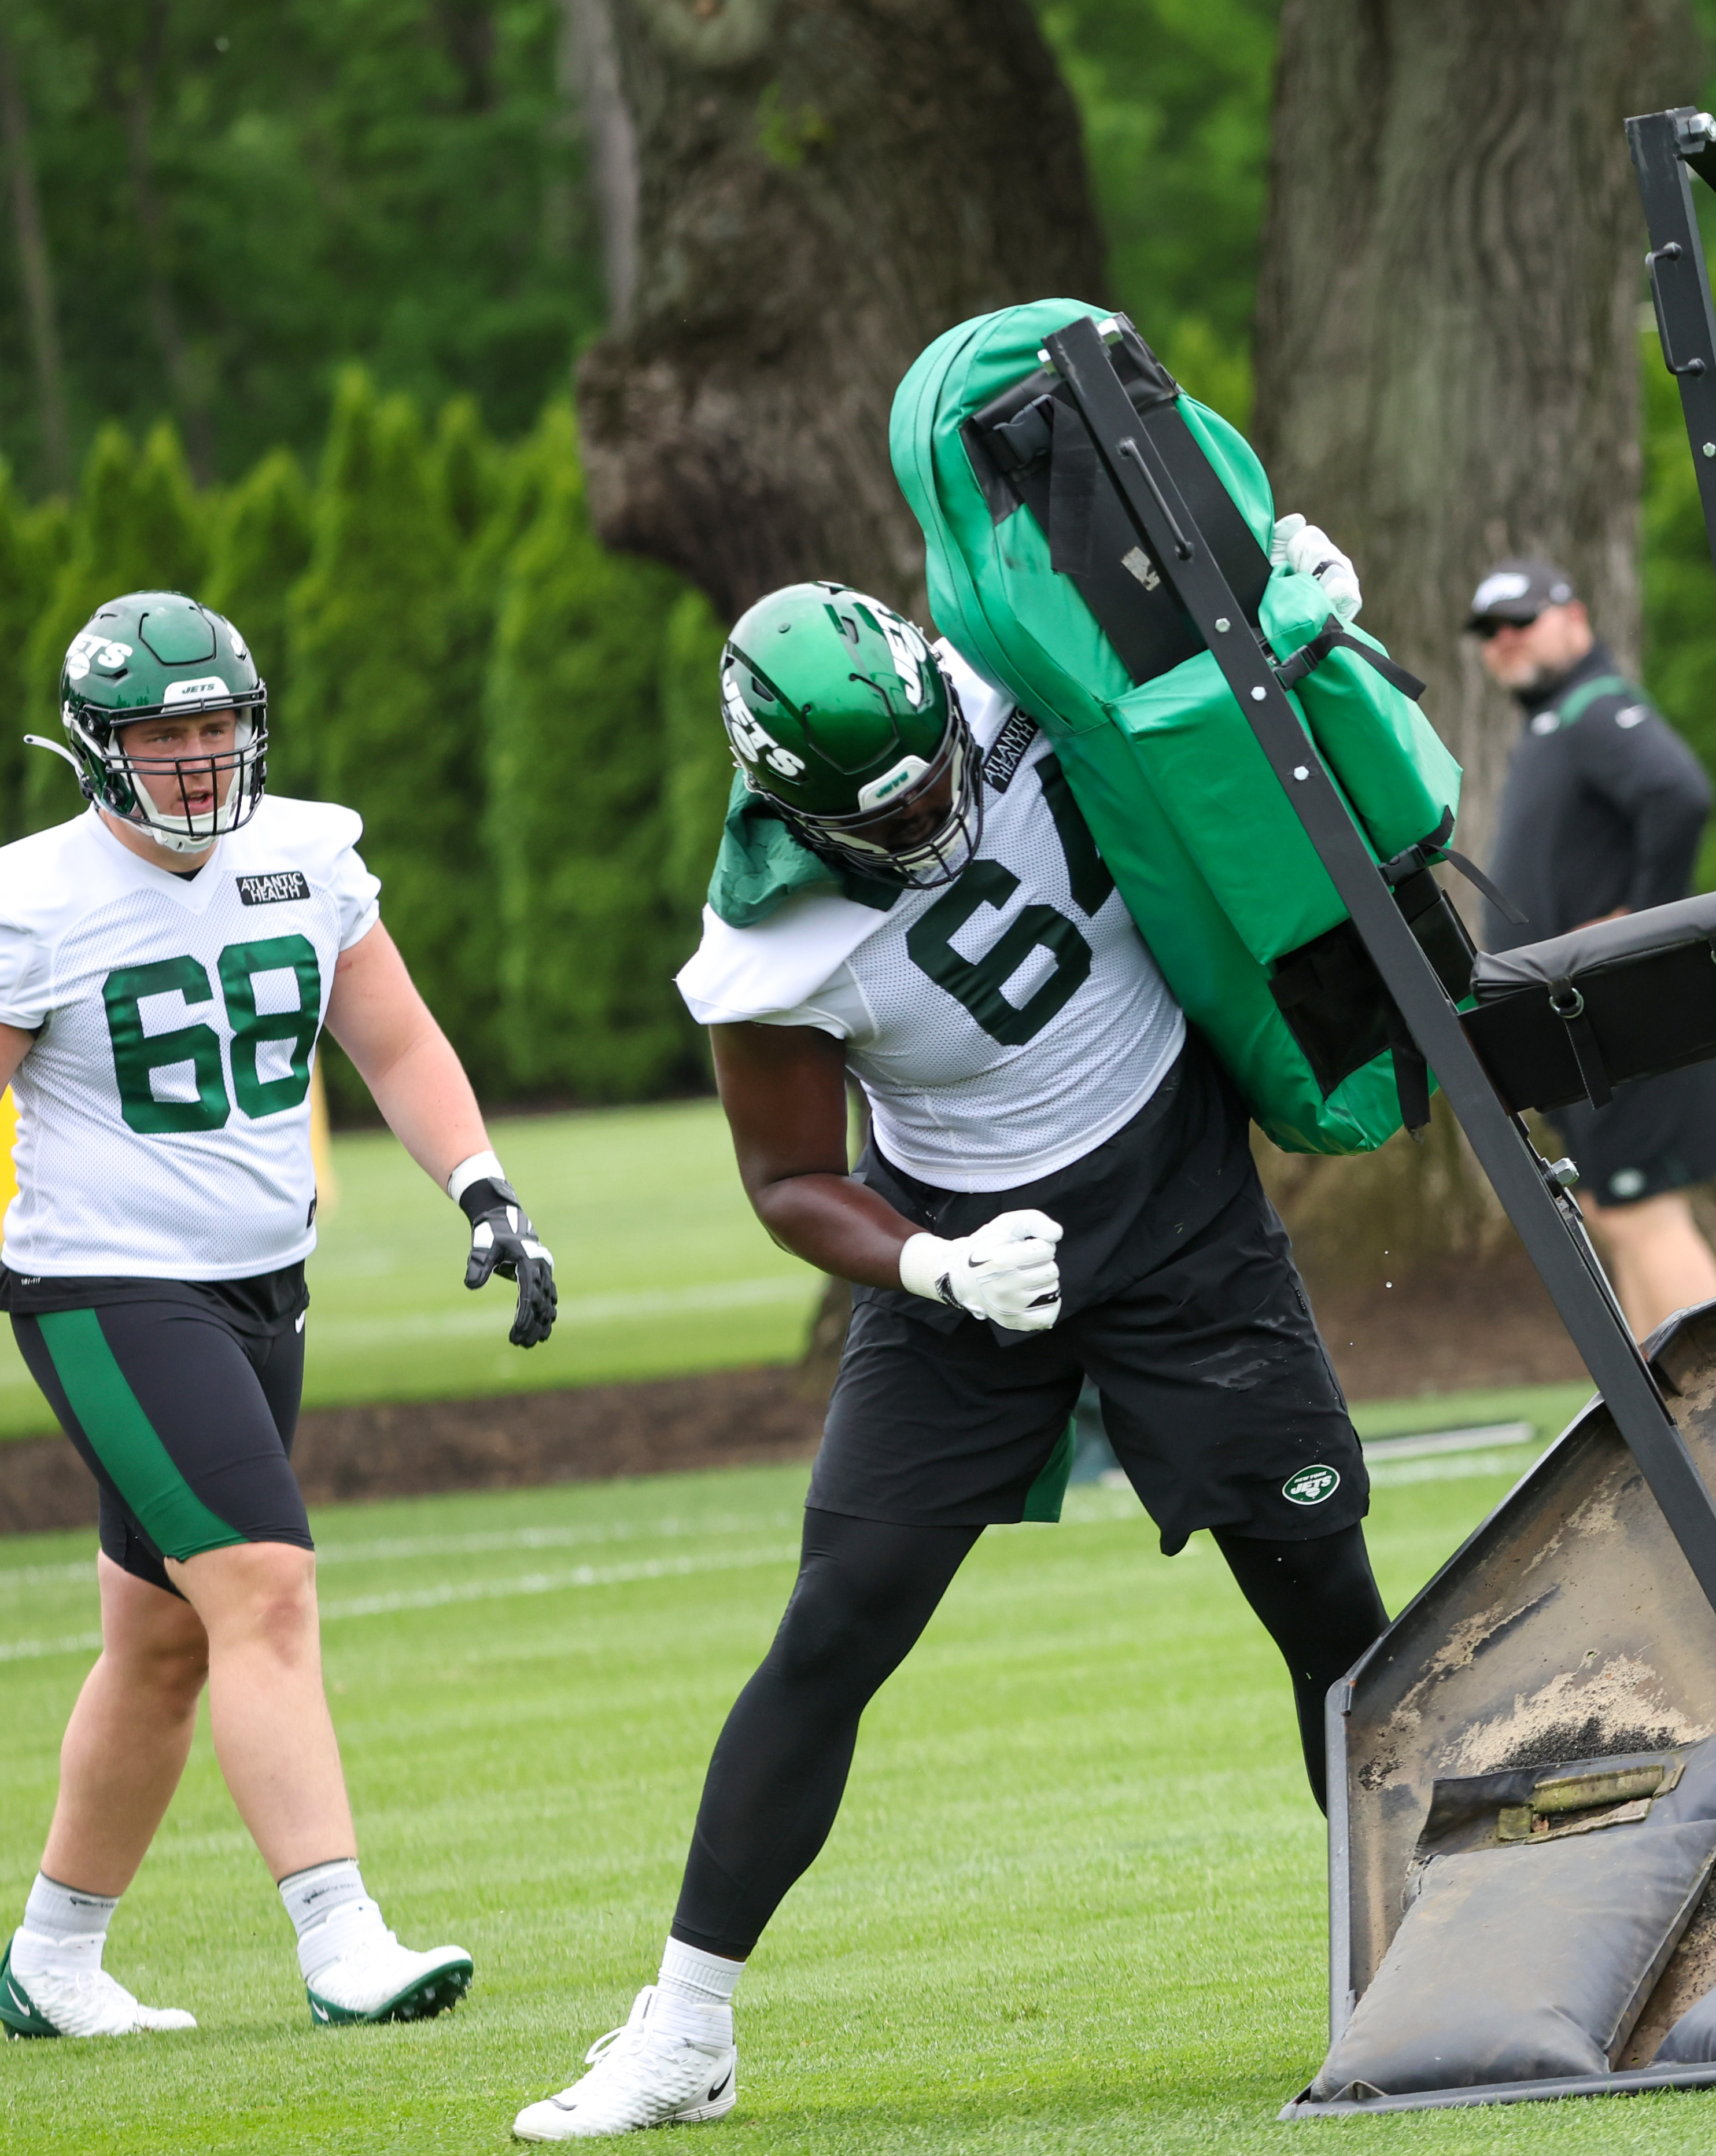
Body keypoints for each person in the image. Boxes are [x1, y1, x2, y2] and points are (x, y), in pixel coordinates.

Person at [514, 580, 1389, 2139]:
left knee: (1323, 1593)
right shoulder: (766, 929)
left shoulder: (1004, 668)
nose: (926, 810)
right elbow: (785, 1179)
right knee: (840, 1614)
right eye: (882, 805)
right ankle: (688, 2024)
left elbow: (1176, 615)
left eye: (933, 772)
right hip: (962, 1247)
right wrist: (931, 1262)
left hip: (1174, 1189)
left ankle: (1423, 1957)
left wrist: (1280, 598)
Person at [0, 593, 555, 2036]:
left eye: (216, 725)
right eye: (162, 731)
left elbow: (395, 1035)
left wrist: (483, 1183)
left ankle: (52, 1959)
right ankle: (338, 1934)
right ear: (96, 747)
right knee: (263, 1583)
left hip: (262, 1284)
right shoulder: (33, 898)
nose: (197, 758)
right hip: (105, 1283)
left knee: (166, 1639)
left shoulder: (308, 852)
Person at [1468, 558, 1716, 1339]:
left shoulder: (1595, 710)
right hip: (1584, 1020)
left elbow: (1680, 795)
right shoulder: (1553, 727)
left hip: (1624, 1010)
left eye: (1522, 619)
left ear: (1574, 618)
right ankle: (1671, 1411)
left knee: (1645, 1211)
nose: (1505, 639)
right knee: (1616, 1212)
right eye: (1489, 630)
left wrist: (1633, 924)